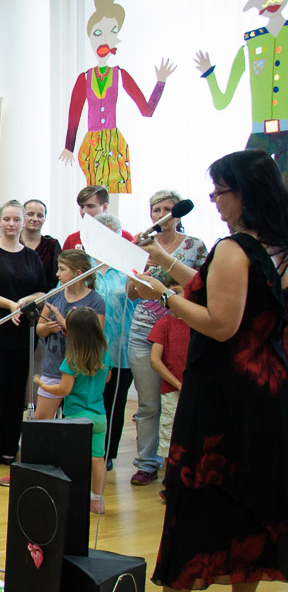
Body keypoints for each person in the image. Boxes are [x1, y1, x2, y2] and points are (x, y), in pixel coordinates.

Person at [133, 149, 288, 592]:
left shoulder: (232, 248)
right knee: (251, 502)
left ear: (245, 192)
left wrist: (162, 293)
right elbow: (230, 296)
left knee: (192, 502)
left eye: (220, 191)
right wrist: (166, 261)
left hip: (221, 399)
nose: (214, 201)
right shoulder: (276, 249)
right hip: (265, 393)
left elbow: (220, 323)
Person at [124, 190, 209, 486]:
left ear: (179, 213)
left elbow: (204, 288)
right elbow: (131, 293)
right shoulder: (142, 245)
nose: (162, 215)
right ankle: (147, 463)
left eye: (168, 209)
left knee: (183, 400)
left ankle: (180, 461)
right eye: (156, 210)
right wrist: (142, 260)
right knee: (148, 405)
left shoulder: (196, 247)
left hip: (183, 332)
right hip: (143, 332)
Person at [58, 0, 174, 193]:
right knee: (93, 197)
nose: (103, 39)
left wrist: (160, 83)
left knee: (113, 196)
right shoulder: (84, 78)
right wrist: (69, 147)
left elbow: (146, 110)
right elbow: (74, 115)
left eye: (111, 31)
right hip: (92, 146)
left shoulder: (120, 74)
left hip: (114, 145)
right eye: (97, 33)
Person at [196, 0, 288, 177]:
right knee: (245, 185)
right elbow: (222, 100)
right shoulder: (251, 43)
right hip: (261, 135)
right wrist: (209, 74)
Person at [0, 200, 47, 466]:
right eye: (7, 219)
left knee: (17, 392)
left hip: (22, 333)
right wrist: (10, 305)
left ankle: (9, 449)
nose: (12, 224)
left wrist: (25, 301)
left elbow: (42, 291)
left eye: (17, 219)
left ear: (23, 222)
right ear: (0, 222)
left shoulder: (31, 256)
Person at [34, 307, 112, 512]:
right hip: (99, 415)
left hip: (77, 417)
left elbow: (64, 388)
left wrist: (43, 385)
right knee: (97, 458)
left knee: (74, 459)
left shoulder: (73, 359)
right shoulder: (104, 354)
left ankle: (74, 496)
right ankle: (97, 499)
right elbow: (108, 379)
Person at [33, 249, 106, 424]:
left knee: (75, 426)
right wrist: (48, 328)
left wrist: (64, 323)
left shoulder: (96, 301)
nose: (57, 274)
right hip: (53, 367)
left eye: (62, 269)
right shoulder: (55, 294)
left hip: (81, 371)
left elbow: (97, 335)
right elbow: (39, 329)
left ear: (78, 273)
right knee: (41, 421)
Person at [93, 213, 138, 471]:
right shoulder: (82, 264)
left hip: (121, 348)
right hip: (87, 349)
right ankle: (80, 448)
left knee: (114, 403)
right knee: (84, 400)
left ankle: (107, 453)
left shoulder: (129, 267)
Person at [147, 279, 188, 467]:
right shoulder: (164, 324)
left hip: (195, 390)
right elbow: (155, 361)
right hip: (172, 391)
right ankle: (170, 478)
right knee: (169, 433)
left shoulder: (199, 325)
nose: (172, 297)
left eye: (177, 292)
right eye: (168, 293)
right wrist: (178, 384)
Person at [63, 185, 134, 249]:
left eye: (90, 206)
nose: (84, 211)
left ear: (105, 207)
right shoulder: (72, 240)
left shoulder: (125, 237)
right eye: (82, 207)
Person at [20, 199, 60, 290]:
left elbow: (56, 278)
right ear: (22, 216)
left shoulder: (52, 244)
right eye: (30, 214)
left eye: (40, 215)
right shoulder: (12, 243)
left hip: (45, 300)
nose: (35, 219)